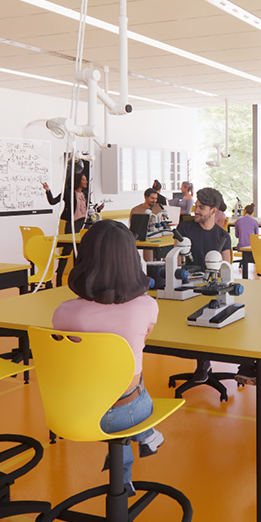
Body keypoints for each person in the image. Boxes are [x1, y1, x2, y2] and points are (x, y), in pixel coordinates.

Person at [51, 220, 164, 495]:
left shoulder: (64, 312)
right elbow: (140, 343)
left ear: (84, 260)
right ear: (132, 261)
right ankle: (143, 435)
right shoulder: (147, 307)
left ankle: (125, 470)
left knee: (107, 372)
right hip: (126, 412)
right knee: (131, 374)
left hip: (74, 410)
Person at [173, 187, 233, 384]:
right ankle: (202, 362)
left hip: (212, 290)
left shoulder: (223, 236)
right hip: (188, 288)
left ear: (213, 211)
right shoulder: (184, 230)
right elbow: (177, 263)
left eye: (202, 207)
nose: (196, 210)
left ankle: (204, 361)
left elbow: (227, 269)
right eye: (196, 206)